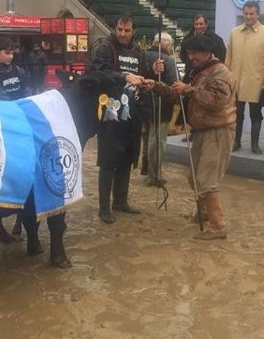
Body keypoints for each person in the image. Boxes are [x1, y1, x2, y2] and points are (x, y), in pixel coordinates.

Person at [145, 34, 237, 240]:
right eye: (189, 53)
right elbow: (177, 94)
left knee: (206, 179)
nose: (191, 56)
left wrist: (190, 90)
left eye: (194, 53)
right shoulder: (196, 72)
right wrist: (157, 86)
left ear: (206, 52)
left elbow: (218, 101)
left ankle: (218, 225)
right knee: (194, 177)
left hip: (219, 130)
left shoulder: (221, 72)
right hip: (202, 129)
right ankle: (204, 212)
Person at [90, 13, 147, 224]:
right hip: (110, 111)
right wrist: (124, 76)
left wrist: (151, 74)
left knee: (127, 158)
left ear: (134, 31)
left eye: (127, 30)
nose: (123, 34)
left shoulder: (139, 52)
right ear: (115, 28)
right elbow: (98, 73)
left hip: (133, 111)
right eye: (120, 29)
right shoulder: (104, 47)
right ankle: (104, 208)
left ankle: (120, 201)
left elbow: (141, 75)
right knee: (108, 161)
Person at [226, 1, 264, 154]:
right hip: (236, 81)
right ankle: (236, 142)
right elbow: (228, 58)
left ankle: (255, 144)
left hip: (256, 82)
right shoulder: (234, 32)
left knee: (256, 114)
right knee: (236, 114)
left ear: (258, 14)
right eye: (246, 13)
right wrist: (225, 79)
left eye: (251, 13)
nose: (248, 16)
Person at [140, 32, 177, 187]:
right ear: (166, 44)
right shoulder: (168, 60)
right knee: (157, 141)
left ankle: (146, 168)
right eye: (170, 45)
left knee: (147, 137)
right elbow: (173, 85)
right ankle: (154, 175)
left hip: (144, 103)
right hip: (161, 106)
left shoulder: (142, 55)